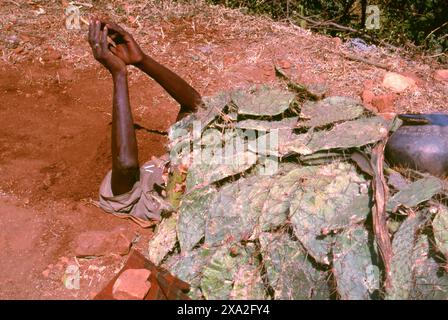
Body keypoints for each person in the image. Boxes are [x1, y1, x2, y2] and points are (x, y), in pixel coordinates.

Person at [87, 18, 202, 225]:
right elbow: (126, 165)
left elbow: (195, 106)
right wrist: (120, 73)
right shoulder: (136, 200)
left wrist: (140, 61)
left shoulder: (154, 174)